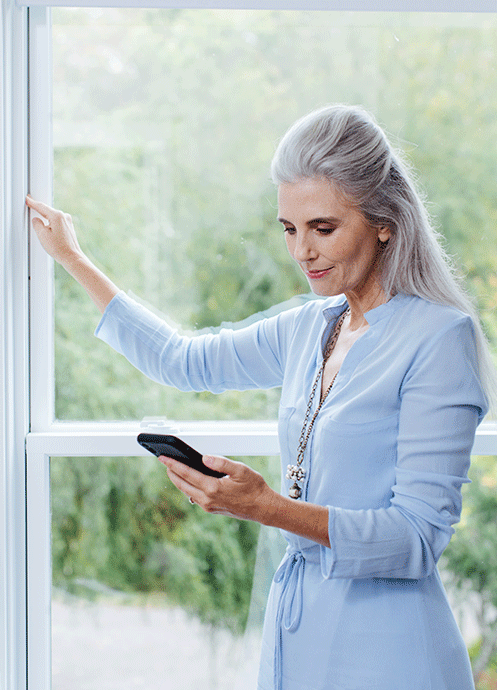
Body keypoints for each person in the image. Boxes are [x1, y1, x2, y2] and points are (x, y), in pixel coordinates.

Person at [26, 104, 494, 690]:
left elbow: (416, 540)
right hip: (297, 636)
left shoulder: (439, 339)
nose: (302, 252)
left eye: (323, 228)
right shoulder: (309, 328)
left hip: (390, 652)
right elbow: (182, 359)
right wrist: (74, 258)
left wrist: (265, 506)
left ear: (384, 221)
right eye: (289, 229)